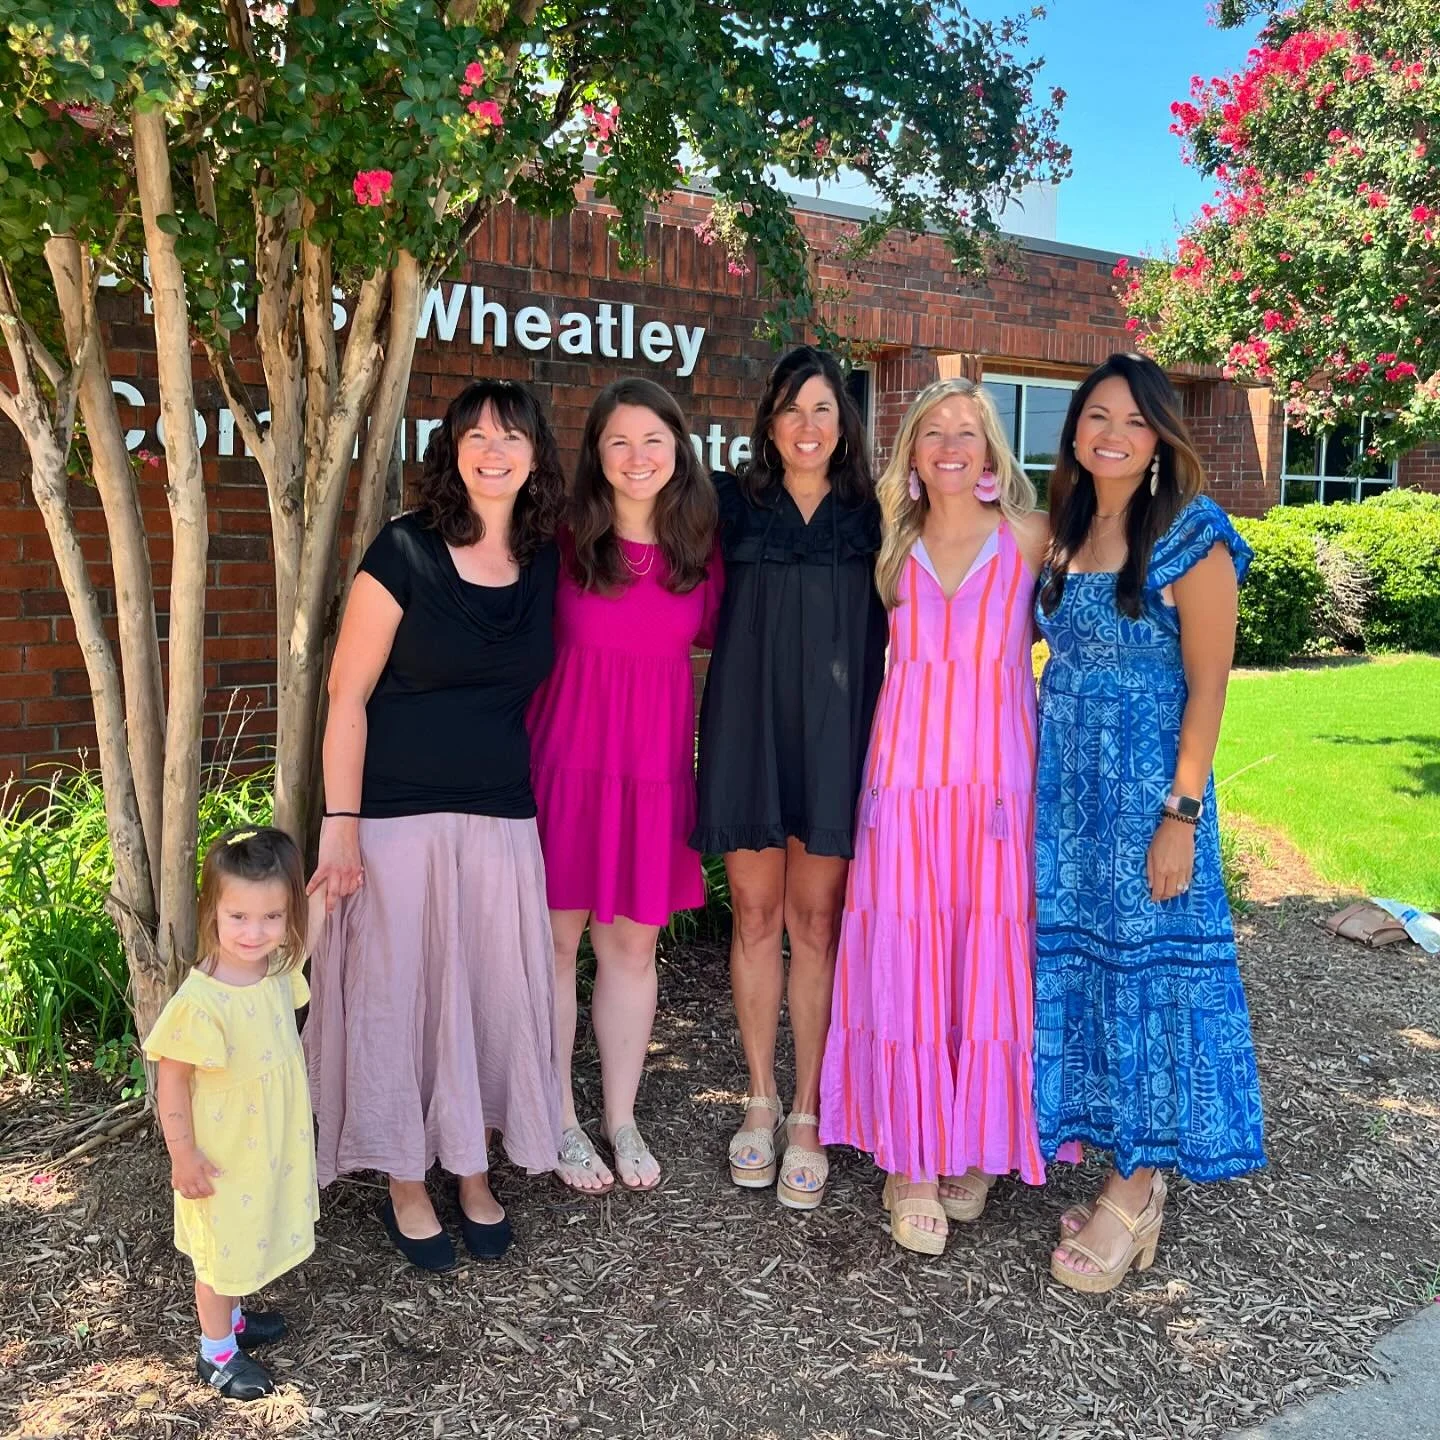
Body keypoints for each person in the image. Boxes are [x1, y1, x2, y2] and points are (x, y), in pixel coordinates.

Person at [304, 380, 567, 1273]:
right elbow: (347, 696)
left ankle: (471, 1168)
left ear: (536, 455)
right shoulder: (405, 552)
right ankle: (405, 1180)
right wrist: (340, 821)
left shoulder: (546, 561)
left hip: (500, 818)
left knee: (485, 996)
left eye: (511, 437)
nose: (493, 451)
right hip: (396, 818)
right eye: (476, 436)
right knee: (402, 998)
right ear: (452, 449)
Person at [819, 377, 1077, 1254]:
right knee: (912, 952)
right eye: (934, 432)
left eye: (969, 430)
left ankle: (976, 1135)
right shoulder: (892, 547)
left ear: (992, 449)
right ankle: (911, 1161)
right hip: (906, 784)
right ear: (914, 456)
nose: (953, 444)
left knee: (984, 954)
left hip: (1002, 785)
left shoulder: (1032, 539)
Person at [1034, 352, 1265, 1294]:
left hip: (1145, 805)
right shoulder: (1064, 531)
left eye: (1132, 419)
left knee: (1149, 981)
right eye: (1096, 416)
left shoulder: (1190, 535)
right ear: (1076, 431)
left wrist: (1182, 809)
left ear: (1160, 432)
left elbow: (1209, 684)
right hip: (1066, 806)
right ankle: (1115, 1163)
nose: (1112, 434)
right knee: (1085, 974)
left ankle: (1136, 1190)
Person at [693, 345, 888, 1210]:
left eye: (824, 409)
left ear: (845, 423)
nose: (808, 426)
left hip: (838, 739)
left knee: (816, 921)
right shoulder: (728, 504)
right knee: (757, 916)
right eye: (791, 410)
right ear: (767, 423)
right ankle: (760, 1097)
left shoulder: (877, 512)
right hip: (748, 730)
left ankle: (809, 1110)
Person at [528, 378, 723, 1193]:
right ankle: (557, 1119)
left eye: (653, 439)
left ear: (679, 447)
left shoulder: (700, 554)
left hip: (651, 779)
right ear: (596, 455)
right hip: (562, 771)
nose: (637, 456)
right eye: (619, 441)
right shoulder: (564, 541)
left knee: (631, 950)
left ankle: (619, 1116)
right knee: (551, 948)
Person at [145, 827, 322, 1402]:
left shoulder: (272, 972)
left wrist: (327, 892)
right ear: (212, 912)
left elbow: (306, 938)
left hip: (262, 1146)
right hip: (220, 1156)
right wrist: (183, 1154)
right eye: (239, 917)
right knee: (218, 1255)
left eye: (272, 916)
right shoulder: (201, 1002)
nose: (255, 932)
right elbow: (170, 1080)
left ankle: (236, 1320)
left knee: (246, 1235)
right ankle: (216, 1352)